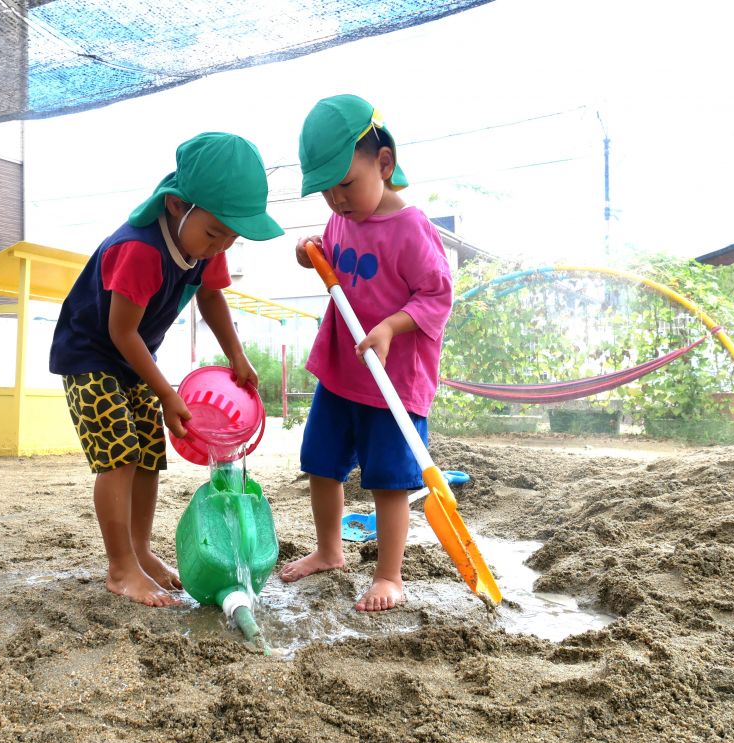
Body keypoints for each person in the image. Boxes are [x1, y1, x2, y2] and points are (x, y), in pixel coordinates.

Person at [50, 132, 284, 607]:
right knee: (119, 454)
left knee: (150, 454)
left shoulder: (203, 249)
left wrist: (237, 355)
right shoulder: (139, 250)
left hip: (135, 358)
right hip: (92, 355)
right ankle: (121, 569)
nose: (220, 247)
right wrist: (167, 392)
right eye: (215, 233)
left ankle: (139, 552)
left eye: (231, 239)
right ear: (178, 206)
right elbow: (122, 333)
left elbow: (212, 295)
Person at [279, 95, 453, 612]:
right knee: (322, 465)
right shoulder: (342, 217)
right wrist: (309, 251)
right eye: (326, 190)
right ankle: (330, 551)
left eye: (346, 185)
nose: (336, 199)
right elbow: (335, 262)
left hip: (393, 383)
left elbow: (437, 296)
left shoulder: (411, 228)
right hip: (341, 372)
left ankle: (390, 575)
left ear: (383, 163)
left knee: (389, 481)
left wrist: (391, 327)